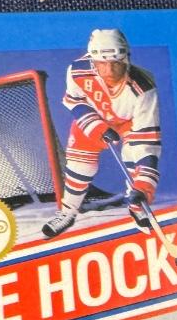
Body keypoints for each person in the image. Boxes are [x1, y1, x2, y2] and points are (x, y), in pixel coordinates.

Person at [42, 28, 161, 238]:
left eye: (116, 63)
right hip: (95, 119)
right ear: (92, 60)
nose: (109, 70)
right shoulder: (77, 70)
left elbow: (147, 141)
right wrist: (97, 126)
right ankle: (68, 212)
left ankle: (137, 206)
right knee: (79, 166)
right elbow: (75, 100)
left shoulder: (144, 87)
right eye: (101, 63)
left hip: (129, 122)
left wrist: (144, 186)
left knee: (134, 159)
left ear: (126, 59)